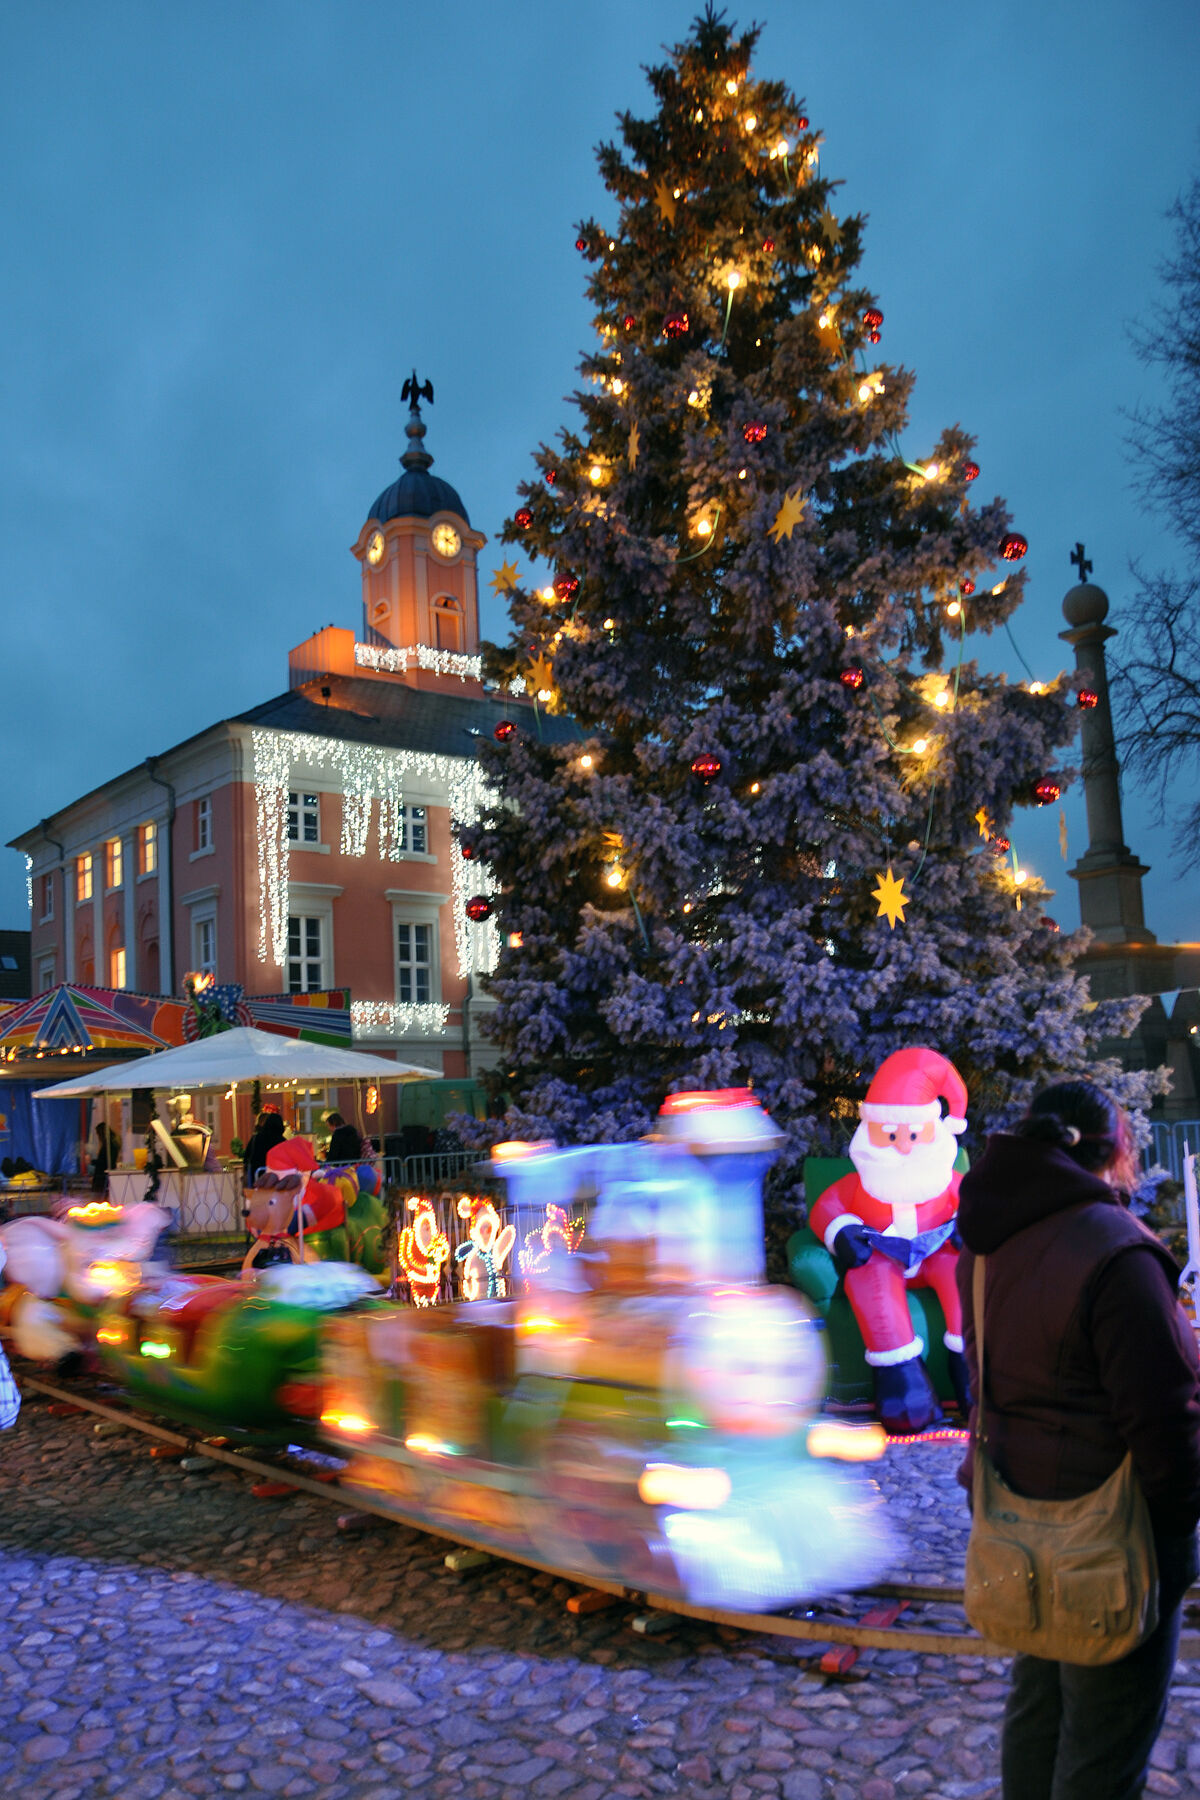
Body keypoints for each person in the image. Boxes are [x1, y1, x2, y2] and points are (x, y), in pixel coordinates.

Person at [956, 1079, 1200, 1800]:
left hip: (1019, 1524)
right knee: (1104, 1744)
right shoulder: (1119, 1251)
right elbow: (1166, 1418)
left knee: (1039, 1709)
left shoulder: (989, 1244)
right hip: (1113, 1537)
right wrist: (1178, 1526)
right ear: (1115, 1150)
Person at [241, 1108, 286, 1189]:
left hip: (257, 1177)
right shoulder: (283, 1141)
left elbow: (247, 1157)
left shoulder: (256, 1138)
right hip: (278, 1179)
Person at [89, 1122, 121, 1194]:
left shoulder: (109, 1145)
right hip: (105, 1174)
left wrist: (93, 1162)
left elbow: (104, 1161)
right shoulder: (113, 1143)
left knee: (100, 1197)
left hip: (102, 1176)